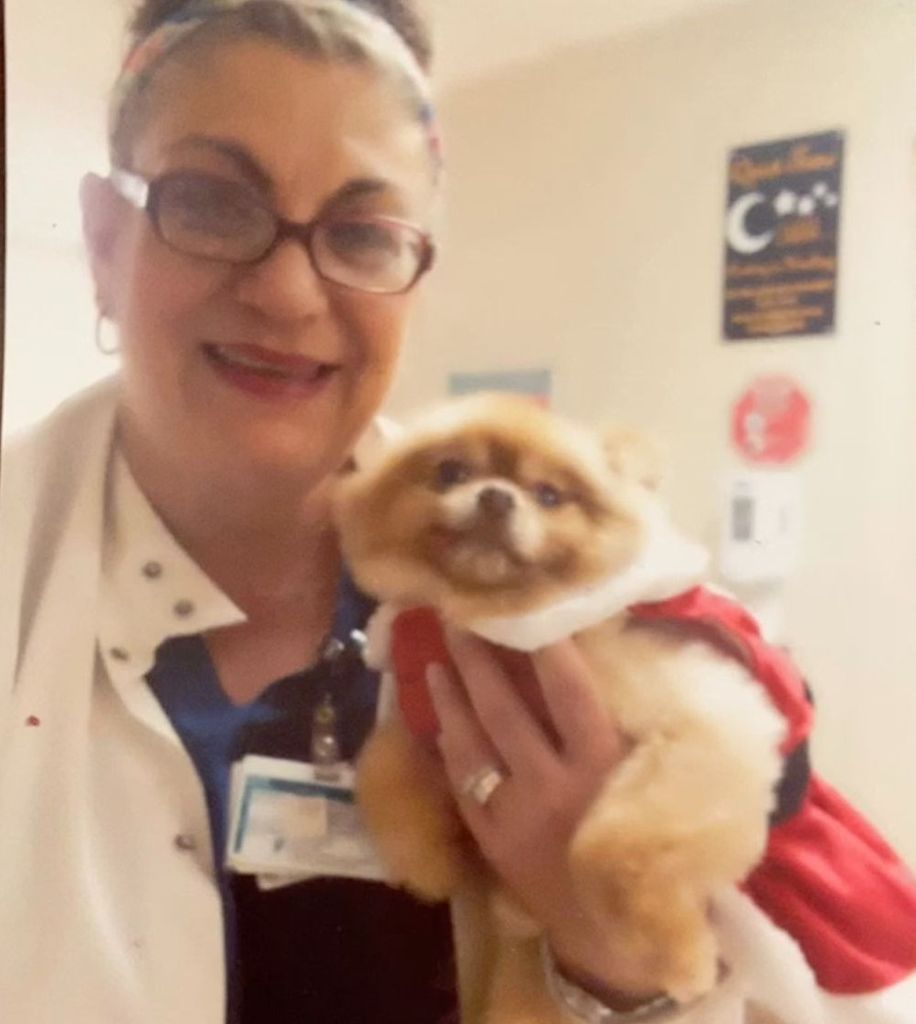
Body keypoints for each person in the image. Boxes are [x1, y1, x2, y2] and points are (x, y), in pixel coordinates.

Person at [0, 2, 913, 1023]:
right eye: (211, 203)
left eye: (361, 232)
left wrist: (609, 958)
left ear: (415, 274)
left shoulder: (618, 625)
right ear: (104, 240)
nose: (288, 292)